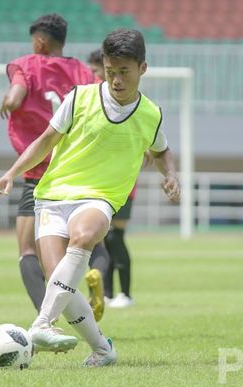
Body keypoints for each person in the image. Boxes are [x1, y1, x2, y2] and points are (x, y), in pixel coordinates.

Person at [0, 28, 180, 367]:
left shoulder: (151, 114)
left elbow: (162, 151)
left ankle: (41, 324)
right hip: (51, 196)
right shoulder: (79, 98)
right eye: (110, 71)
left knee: (85, 236)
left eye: (124, 72)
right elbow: (45, 141)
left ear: (142, 69)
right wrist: (10, 174)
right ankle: (103, 349)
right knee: (60, 280)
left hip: (100, 199)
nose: (116, 79)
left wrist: (171, 176)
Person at [0, 14, 109, 321]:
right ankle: (98, 271)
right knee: (87, 236)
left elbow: (18, 92)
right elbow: (105, 102)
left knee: (28, 250)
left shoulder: (25, 65)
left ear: (40, 41)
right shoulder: (82, 71)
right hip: (78, 171)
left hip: (40, 172)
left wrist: (10, 100)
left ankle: (46, 317)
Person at [88, 48, 151, 309]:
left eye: (95, 71)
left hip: (123, 187)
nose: (94, 76)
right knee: (100, 239)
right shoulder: (93, 99)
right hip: (98, 184)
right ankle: (109, 294)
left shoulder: (132, 105)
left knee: (115, 238)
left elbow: (148, 151)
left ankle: (125, 293)